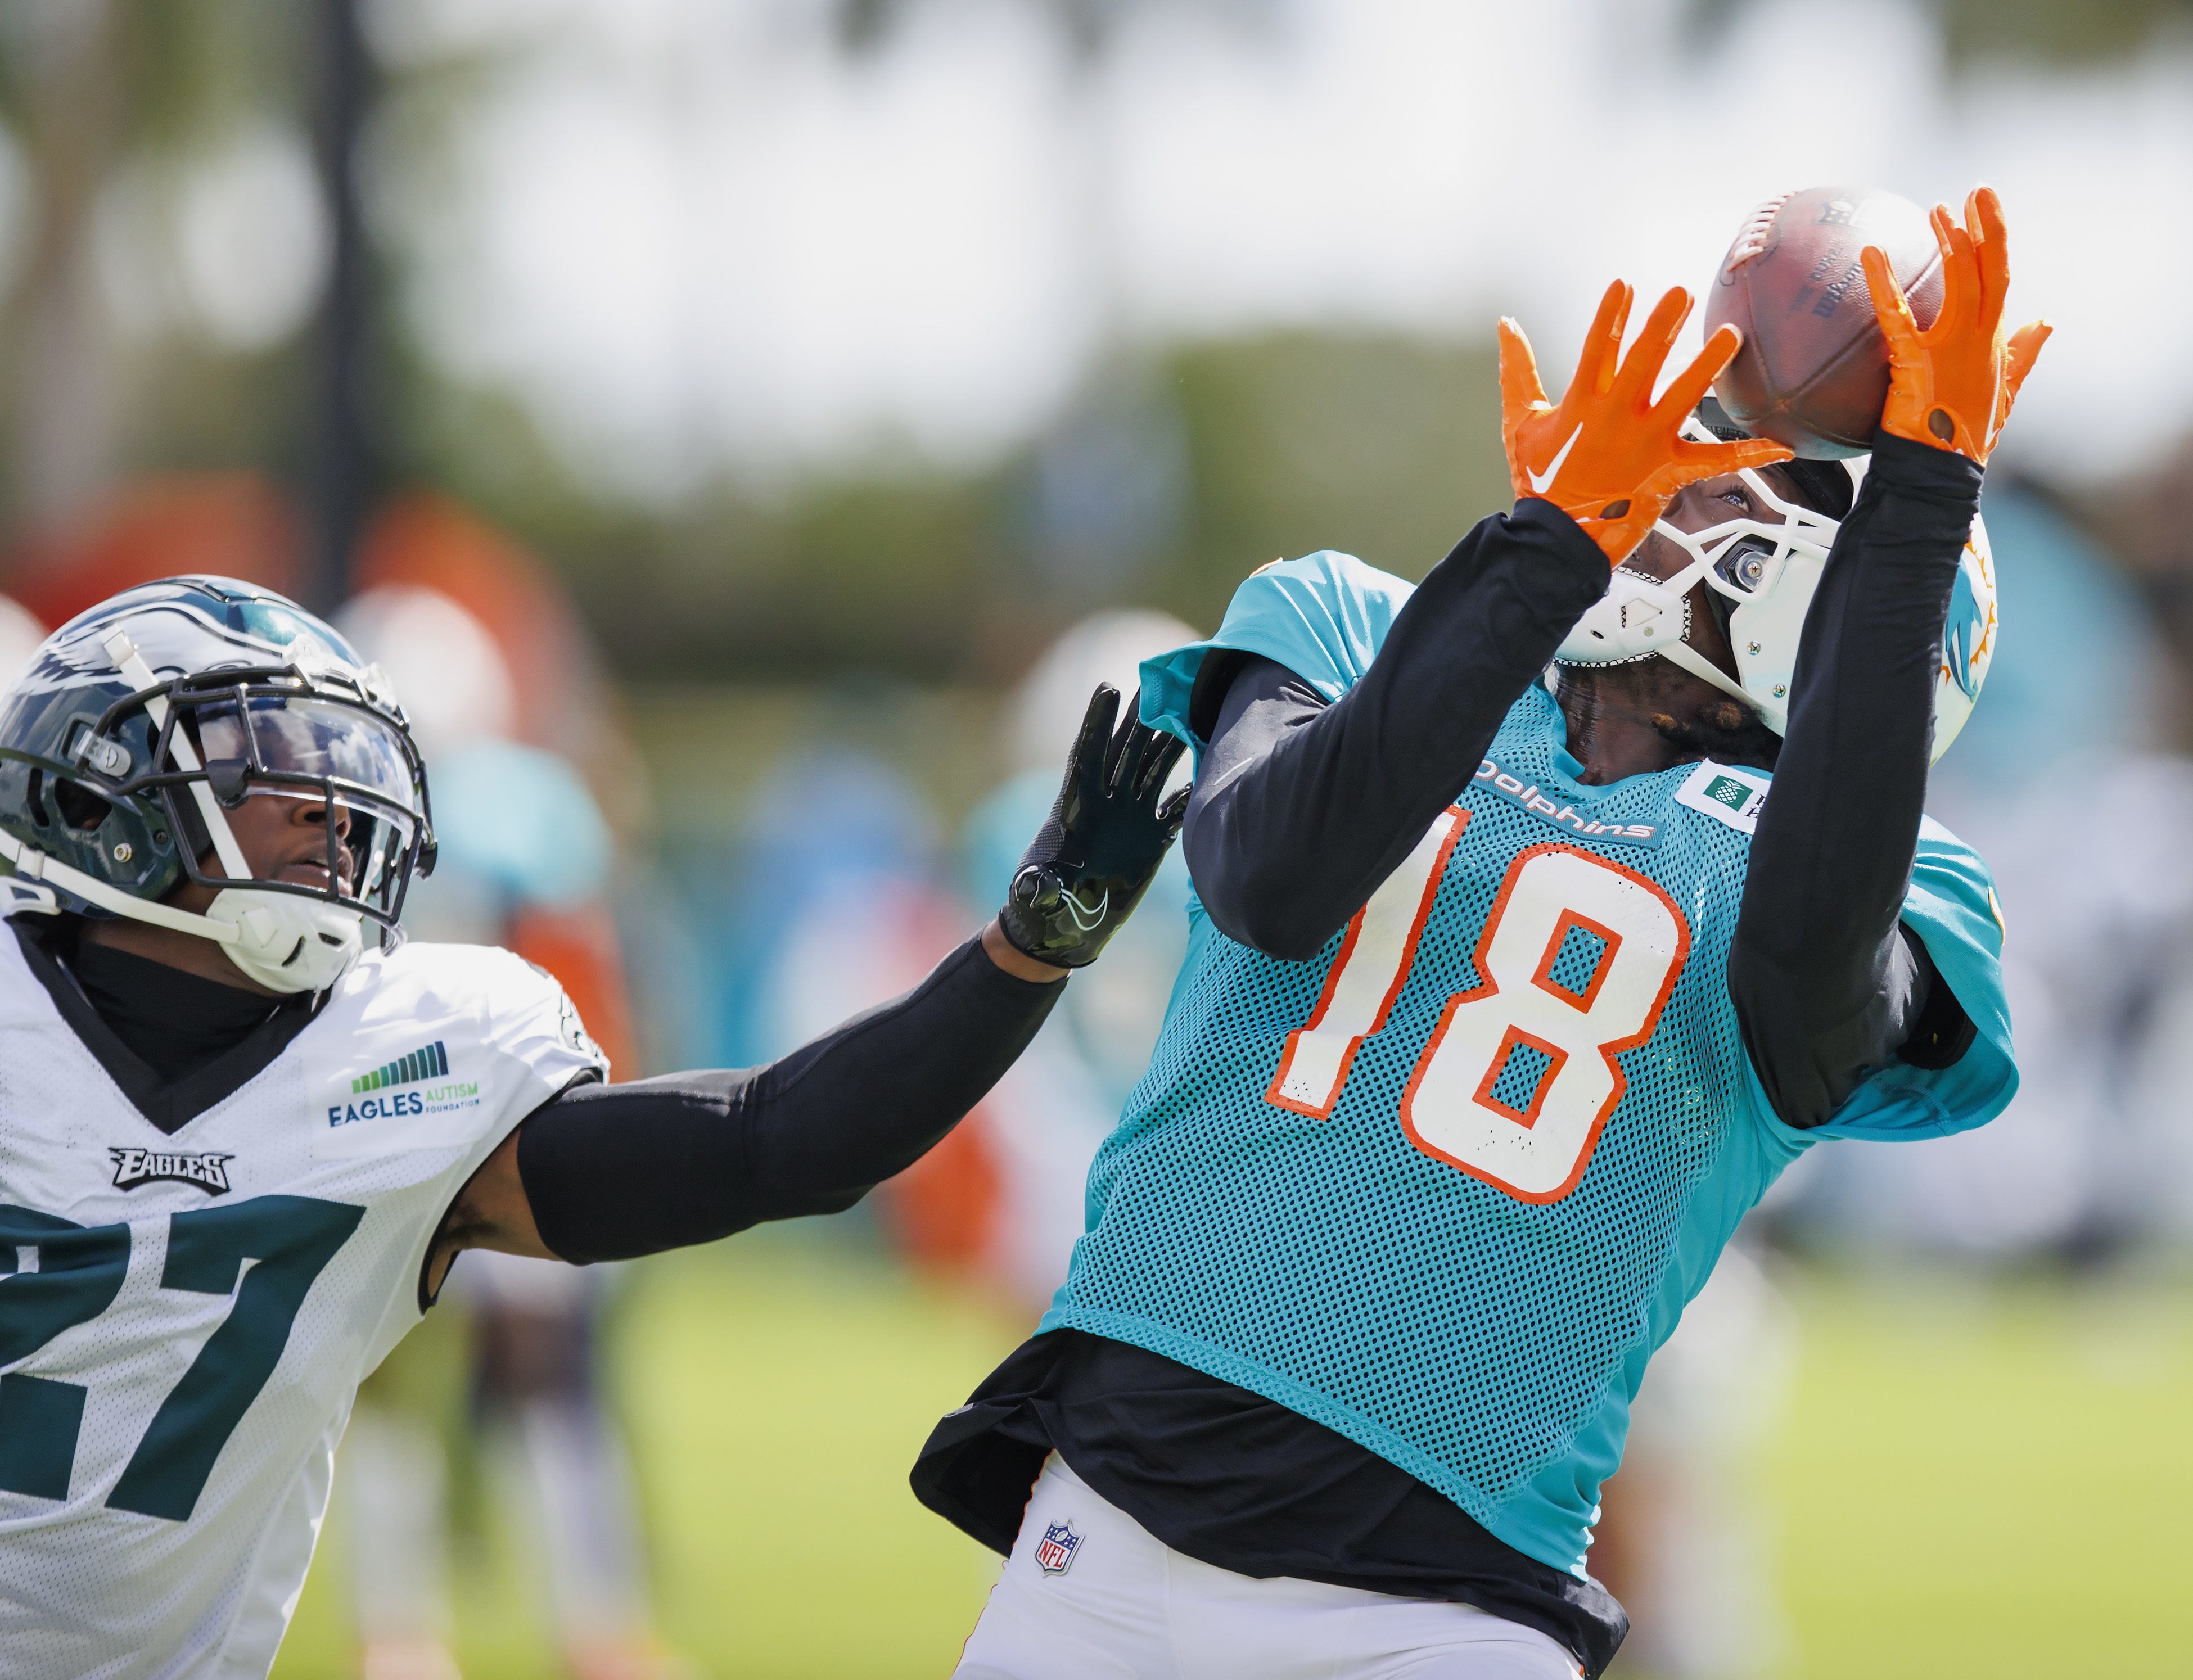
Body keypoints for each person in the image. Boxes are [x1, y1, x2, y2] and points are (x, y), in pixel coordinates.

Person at [914, 189, 2045, 1679]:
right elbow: (1266, 874)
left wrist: (1914, 509)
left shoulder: (1885, 886)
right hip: (1108, 1525)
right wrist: (1533, 556)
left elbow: (1799, 987)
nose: (1659, 497)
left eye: (1709, 489)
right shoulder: (1346, 618)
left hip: (1448, 1609)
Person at [0, 575, 1187, 1680]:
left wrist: (1030, 952)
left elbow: (782, 1142)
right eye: (266, 766)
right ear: (95, 795)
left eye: (330, 760)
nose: (329, 807)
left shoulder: (398, 1058)